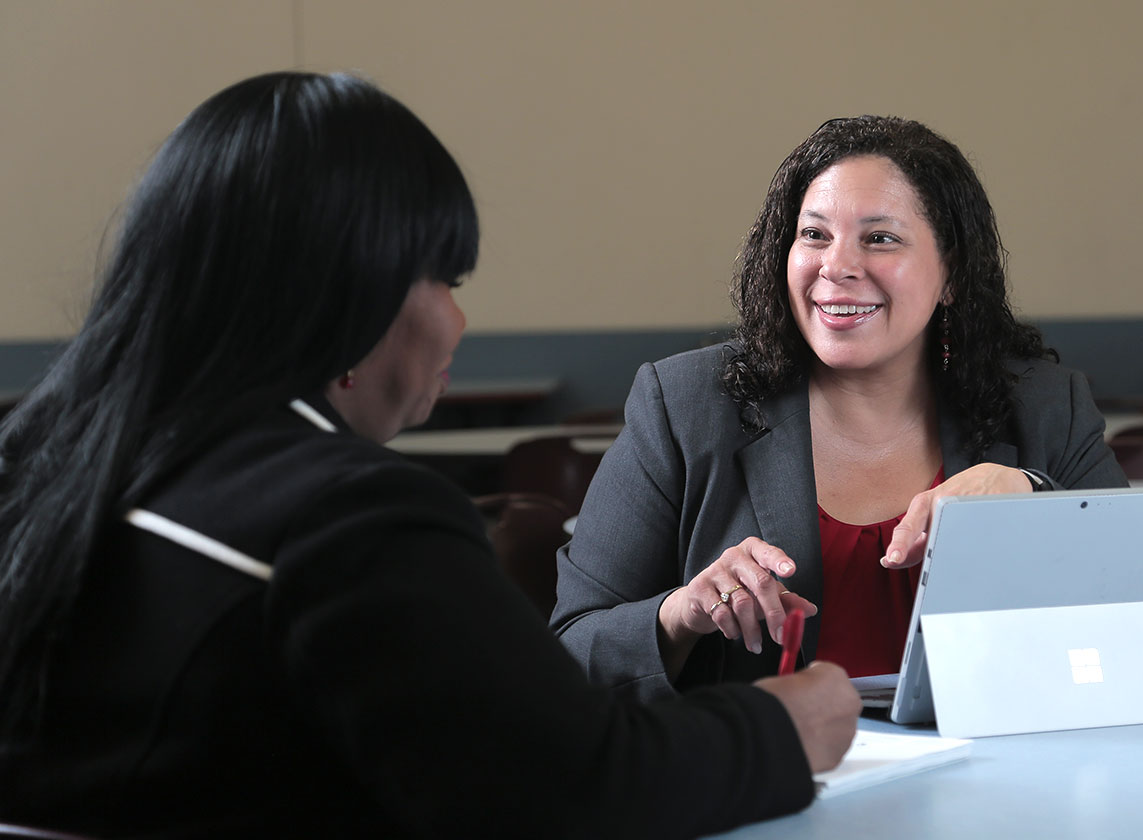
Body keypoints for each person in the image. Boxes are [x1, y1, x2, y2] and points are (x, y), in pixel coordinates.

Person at [0, 72, 859, 839]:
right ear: (354, 290)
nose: (457, 320)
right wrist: (780, 731)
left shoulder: (40, 467)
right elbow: (572, 787)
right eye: (447, 280)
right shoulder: (350, 519)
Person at [553, 116, 1127, 701]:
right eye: (814, 235)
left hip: (997, 758)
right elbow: (569, 654)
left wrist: (1037, 496)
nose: (837, 265)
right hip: (763, 759)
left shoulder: (1045, 405)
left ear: (951, 273)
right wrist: (681, 613)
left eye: (880, 239)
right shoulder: (684, 405)